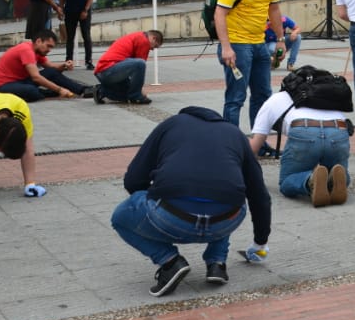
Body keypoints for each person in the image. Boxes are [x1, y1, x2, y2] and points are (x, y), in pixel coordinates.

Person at [113, 106, 271, 296]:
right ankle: (217, 263)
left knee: (120, 216)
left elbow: (133, 180)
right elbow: (259, 195)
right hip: (224, 221)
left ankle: (169, 261)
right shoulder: (235, 134)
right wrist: (260, 241)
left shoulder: (170, 125)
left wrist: (156, 200)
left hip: (171, 218)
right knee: (228, 194)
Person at [214, 0, 284, 128]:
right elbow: (219, 12)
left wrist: (280, 39)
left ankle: (258, 143)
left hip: (259, 43)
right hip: (237, 44)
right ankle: (231, 147)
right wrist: (226, 48)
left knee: (263, 94)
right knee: (236, 97)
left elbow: (274, 9)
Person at [248, 81, 350, 207]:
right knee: (338, 169)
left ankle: (310, 180)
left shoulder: (275, 99)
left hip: (304, 130)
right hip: (338, 129)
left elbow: (255, 146)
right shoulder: (325, 94)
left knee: (287, 180)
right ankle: (336, 179)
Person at [0, 30, 89, 101]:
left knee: (52, 72)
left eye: (51, 47)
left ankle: (83, 90)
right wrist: (59, 89)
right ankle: (57, 92)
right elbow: (36, 78)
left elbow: (50, 67)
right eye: (48, 46)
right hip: (3, 86)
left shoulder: (36, 50)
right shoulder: (26, 50)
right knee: (32, 91)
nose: (49, 50)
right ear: (38, 41)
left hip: (20, 81)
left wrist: (64, 65)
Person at [94, 30, 164, 105]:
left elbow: (132, 70)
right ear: (153, 38)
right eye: (155, 46)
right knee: (140, 63)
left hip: (104, 72)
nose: (153, 49)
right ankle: (136, 97)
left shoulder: (137, 36)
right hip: (108, 70)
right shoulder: (144, 41)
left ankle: (102, 91)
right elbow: (139, 67)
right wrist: (140, 92)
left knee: (127, 94)